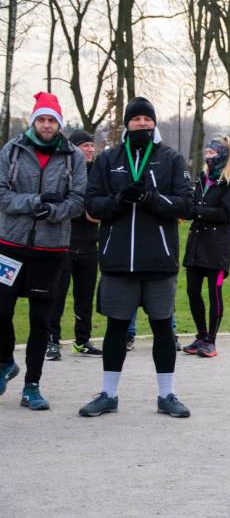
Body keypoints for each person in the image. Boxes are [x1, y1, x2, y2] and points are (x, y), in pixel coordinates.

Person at [78, 96, 194, 418]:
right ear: (127, 124)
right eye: (136, 119)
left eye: (147, 119)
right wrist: (119, 200)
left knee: (163, 329)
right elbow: (92, 205)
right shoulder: (108, 159)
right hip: (118, 262)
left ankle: (167, 395)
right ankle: (109, 394)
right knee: (116, 329)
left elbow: (186, 205)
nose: (142, 124)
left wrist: (150, 198)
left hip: (159, 262)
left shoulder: (171, 158)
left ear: (154, 123)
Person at [0, 92, 86, 409]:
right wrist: (34, 202)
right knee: (1, 311)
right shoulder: (12, 150)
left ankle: (32, 386)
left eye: (52, 120)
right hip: (10, 244)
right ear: (33, 121)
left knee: (41, 319)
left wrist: (52, 211)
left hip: (51, 248)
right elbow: (2, 195)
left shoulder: (73, 156)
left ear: (59, 124)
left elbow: (78, 201)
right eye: (42, 119)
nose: (47, 125)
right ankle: (5, 362)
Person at [181, 136, 230, 358]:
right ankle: (201, 335)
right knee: (192, 291)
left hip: (217, 247)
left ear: (223, 154)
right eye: (207, 152)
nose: (208, 156)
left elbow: (227, 213)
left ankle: (211, 340)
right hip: (196, 244)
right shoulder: (202, 176)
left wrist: (196, 212)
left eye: (212, 153)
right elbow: (194, 202)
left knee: (214, 291)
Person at [46, 130, 102, 360]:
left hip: (89, 244)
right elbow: (62, 206)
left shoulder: (98, 174)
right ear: (74, 148)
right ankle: (52, 341)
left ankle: (82, 340)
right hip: (65, 244)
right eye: (84, 145)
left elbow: (100, 207)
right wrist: (83, 210)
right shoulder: (65, 172)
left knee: (85, 296)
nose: (90, 149)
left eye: (92, 145)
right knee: (57, 295)